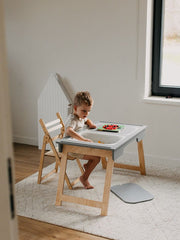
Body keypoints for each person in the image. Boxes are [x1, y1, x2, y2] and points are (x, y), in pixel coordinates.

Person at [65, 91, 100, 189]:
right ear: (75, 108)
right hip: (71, 148)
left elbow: (87, 120)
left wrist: (91, 124)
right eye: (84, 111)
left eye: (89, 111)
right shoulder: (72, 119)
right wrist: (83, 140)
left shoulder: (81, 117)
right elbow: (69, 131)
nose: (86, 114)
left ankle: (88, 165)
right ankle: (84, 178)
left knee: (99, 154)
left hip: (78, 146)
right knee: (97, 158)